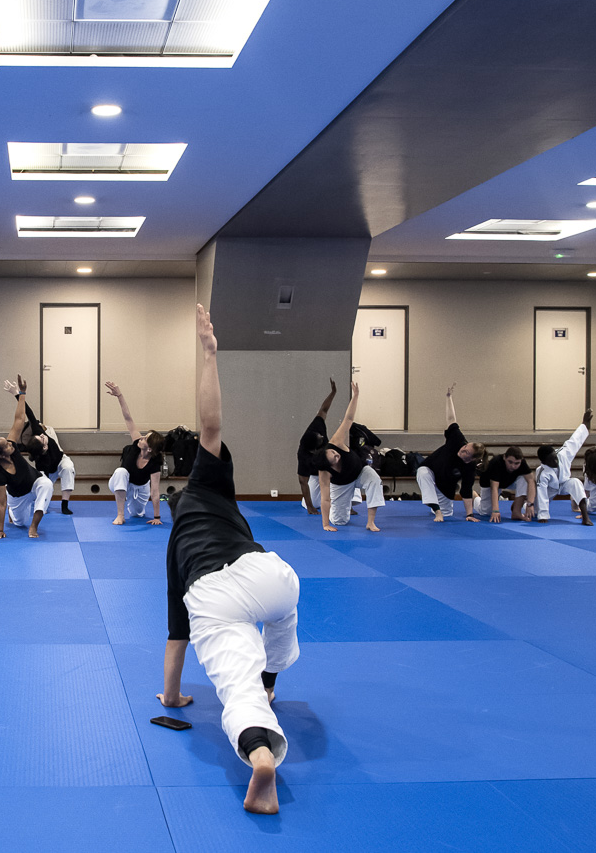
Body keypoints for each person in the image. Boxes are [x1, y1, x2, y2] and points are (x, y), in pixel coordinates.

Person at [159, 304, 299, 816]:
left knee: (234, 688)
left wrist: (171, 698)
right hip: (264, 574)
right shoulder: (209, 486)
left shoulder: (175, 547)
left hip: (209, 596)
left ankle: (262, 751)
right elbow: (210, 425)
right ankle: (273, 678)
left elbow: (178, 638)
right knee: (284, 609)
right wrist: (208, 354)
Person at [0, 376, 52, 539]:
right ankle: (13, 514)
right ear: (1, 455)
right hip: (17, 496)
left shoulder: (11, 446)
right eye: (6, 445)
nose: (11, 444)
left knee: (47, 484)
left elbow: (19, 419)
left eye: (7, 441)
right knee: (19, 522)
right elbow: (0, 503)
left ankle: (34, 527)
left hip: (35, 482)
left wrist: (22, 393)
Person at [312, 381, 383, 531]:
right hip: (342, 484)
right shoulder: (324, 473)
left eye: (333, 453)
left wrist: (355, 396)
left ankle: (371, 522)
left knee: (374, 479)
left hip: (360, 472)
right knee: (340, 521)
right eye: (335, 458)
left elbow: (348, 419)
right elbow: (325, 499)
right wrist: (325, 524)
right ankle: (342, 509)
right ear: (329, 466)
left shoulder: (336, 442)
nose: (337, 455)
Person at [415, 385, 484, 522]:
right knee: (422, 473)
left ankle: (440, 508)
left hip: (445, 486)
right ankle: (436, 510)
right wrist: (448, 398)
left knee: (447, 516)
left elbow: (465, 490)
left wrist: (469, 514)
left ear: (470, 459)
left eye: (466, 452)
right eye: (465, 446)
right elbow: (451, 419)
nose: (462, 449)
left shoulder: (469, 468)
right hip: (431, 470)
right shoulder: (457, 440)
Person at [104, 381, 164, 526]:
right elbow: (128, 417)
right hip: (121, 482)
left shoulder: (155, 461)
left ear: (149, 449)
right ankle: (120, 515)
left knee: (137, 514)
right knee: (120, 472)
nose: (141, 437)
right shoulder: (137, 444)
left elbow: (155, 491)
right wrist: (119, 395)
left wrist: (157, 517)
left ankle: (133, 510)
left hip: (141, 488)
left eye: (145, 438)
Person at [533, 409, 594, 526]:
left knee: (576, 482)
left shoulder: (563, 454)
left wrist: (584, 424)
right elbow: (542, 494)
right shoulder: (541, 471)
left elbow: (575, 440)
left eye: (555, 457)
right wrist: (543, 515)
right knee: (535, 512)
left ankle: (585, 516)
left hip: (565, 483)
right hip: (550, 489)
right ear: (544, 462)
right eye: (552, 460)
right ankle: (528, 507)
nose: (556, 461)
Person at [19, 401, 76, 515]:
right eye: (41, 438)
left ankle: (64, 504)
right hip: (48, 470)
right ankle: (39, 505)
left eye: (39, 435)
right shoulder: (42, 463)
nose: (42, 435)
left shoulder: (39, 432)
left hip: (60, 460)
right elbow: (46, 478)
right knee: (45, 485)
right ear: (44, 447)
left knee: (68, 468)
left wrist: (19, 394)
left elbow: (29, 413)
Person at [296, 378, 337, 514]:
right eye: (320, 440)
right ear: (314, 450)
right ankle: (306, 502)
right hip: (315, 474)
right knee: (315, 503)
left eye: (321, 436)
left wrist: (333, 392)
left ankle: (347, 504)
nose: (322, 437)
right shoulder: (304, 455)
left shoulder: (316, 427)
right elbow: (303, 481)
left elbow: (324, 409)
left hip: (330, 465)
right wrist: (309, 507)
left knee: (346, 469)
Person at [474, 446, 535, 522]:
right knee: (485, 512)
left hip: (509, 481)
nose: (513, 466)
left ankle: (516, 511)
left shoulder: (522, 463)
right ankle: (475, 496)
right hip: (488, 483)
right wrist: (495, 511)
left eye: (517, 463)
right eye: (510, 462)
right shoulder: (496, 462)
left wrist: (530, 504)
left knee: (525, 479)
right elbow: (494, 488)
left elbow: (531, 481)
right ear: (504, 457)